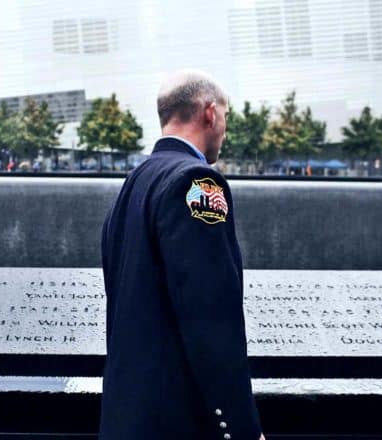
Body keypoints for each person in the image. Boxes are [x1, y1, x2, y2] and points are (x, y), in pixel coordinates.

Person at [99, 70, 265, 440]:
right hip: (178, 424)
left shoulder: (134, 185)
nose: (224, 128)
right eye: (225, 116)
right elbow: (211, 317)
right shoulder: (198, 183)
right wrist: (240, 427)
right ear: (209, 113)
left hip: (127, 421)